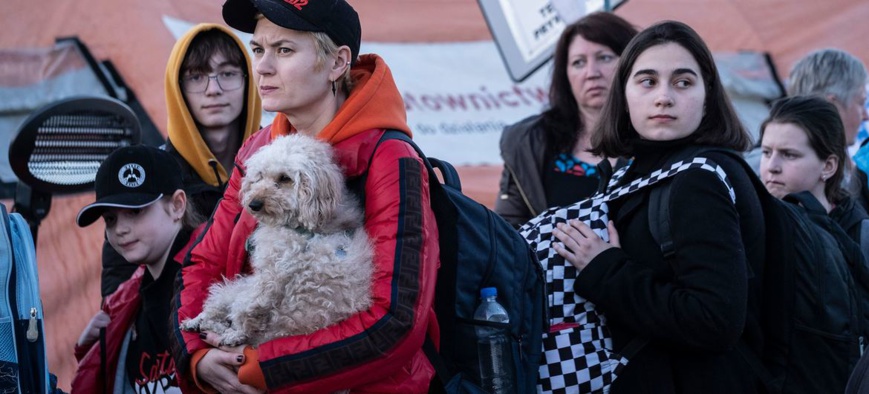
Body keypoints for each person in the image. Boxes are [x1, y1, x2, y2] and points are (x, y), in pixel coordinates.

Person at [169, 0, 439, 392]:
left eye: (284, 50)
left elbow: (395, 320)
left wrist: (263, 368)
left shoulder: (391, 158)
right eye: (259, 49)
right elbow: (202, 263)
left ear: (337, 63)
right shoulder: (258, 148)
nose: (261, 66)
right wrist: (197, 355)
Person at [552, 21, 764, 392]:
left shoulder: (699, 180)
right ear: (625, 94)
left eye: (683, 82)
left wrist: (606, 269)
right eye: (647, 81)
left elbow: (714, 321)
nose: (664, 97)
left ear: (707, 95)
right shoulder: (638, 170)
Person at [99, 23, 262, 298]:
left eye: (228, 73)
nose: (213, 89)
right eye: (196, 77)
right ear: (177, 85)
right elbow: (118, 294)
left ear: (249, 80)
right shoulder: (149, 177)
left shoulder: (276, 161)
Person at [70, 145, 199, 393]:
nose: (120, 229)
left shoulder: (214, 278)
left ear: (177, 205)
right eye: (110, 219)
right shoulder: (125, 305)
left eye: (135, 210)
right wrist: (93, 350)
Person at [495, 12, 637, 228]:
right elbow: (508, 233)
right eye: (579, 62)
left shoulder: (656, 138)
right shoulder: (530, 142)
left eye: (604, 57)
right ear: (565, 74)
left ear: (633, 64)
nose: (591, 73)